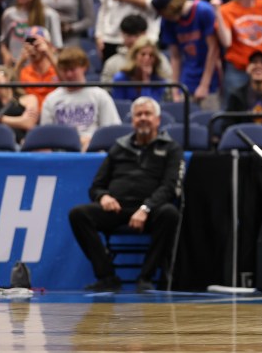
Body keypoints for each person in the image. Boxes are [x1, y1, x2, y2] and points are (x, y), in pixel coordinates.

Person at [68, 96, 184, 292]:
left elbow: (169, 187)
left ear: (157, 120)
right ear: (132, 120)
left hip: (150, 211)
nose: (143, 118)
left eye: (148, 114)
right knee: (78, 214)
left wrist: (146, 208)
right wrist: (103, 196)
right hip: (117, 209)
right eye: (139, 114)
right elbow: (96, 185)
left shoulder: (171, 148)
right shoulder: (119, 148)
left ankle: (145, 278)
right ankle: (107, 276)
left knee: (170, 214)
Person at [39, 47, 121, 146]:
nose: (68, 75)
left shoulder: (99, 95)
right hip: (62, 149)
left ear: (84, 67)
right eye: (65, 70)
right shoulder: (51, 99)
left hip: (93, 148)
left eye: (72, 69)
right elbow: (46, 135)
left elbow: (111, 130)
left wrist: (92, 142)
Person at [154, 0, 220, 109]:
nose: (164, 17)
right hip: (188, 76)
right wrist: (175, 88)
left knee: (208, 117)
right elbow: (175, 56)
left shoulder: (203, 10)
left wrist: (205, 85)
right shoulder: (167, 22)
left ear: (170, 8)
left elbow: (213, 49)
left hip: (210, 76)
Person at [0, 0, 63, 66]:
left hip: (40, 67)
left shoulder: (50, 15)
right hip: (16, 66)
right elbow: (3, 42)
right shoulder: (9, 14)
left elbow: (57, 46)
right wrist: (6, 55)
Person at [100, 13, 173, 84]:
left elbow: (169, 87)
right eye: (129, 35)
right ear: (122, 35)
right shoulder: (112, 63)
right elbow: (106, 91)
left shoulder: (158, 59)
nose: (133, 40)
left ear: (145, 34)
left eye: (137, 35)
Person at [0, 64, 39, 143]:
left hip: (22, 145)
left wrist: (0, 119)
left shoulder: (29, 99)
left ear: (7, 77)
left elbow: (28, 123)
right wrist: (20, 120)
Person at [112, 37, 171, 102]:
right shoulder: (121, 78)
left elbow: (151, 107)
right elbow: (119, 105)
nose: (147, 58)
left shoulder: (159, 81)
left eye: (151, 55)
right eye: (143, 54)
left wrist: (146, 79)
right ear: (135, 56)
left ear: (155, 59)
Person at [15, 27, 58, 109]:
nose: (33, 47)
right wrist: (20, 61)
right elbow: (12, 89)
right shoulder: (23, 71)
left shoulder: (56, 68)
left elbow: (67, 81)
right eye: (29, 43)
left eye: (37, 43)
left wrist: (48, 52)